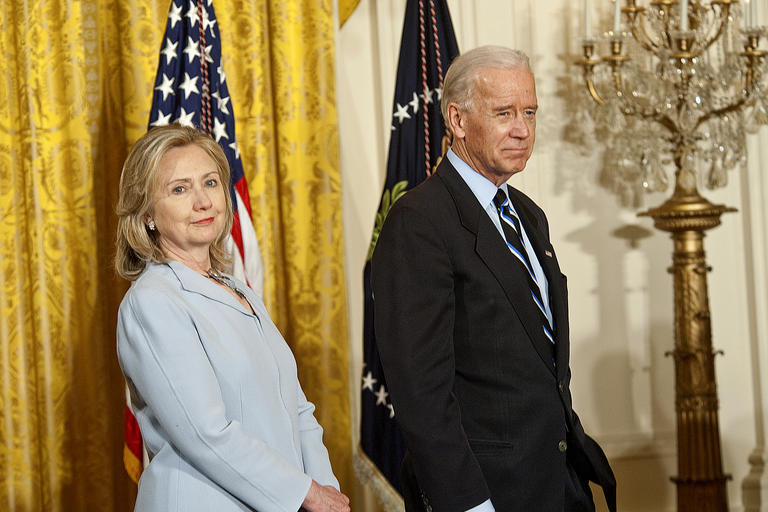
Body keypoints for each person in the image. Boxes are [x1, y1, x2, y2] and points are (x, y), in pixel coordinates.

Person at [371, 46, 617, 511]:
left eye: (530, 112)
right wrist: (468, 504)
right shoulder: (419, 221)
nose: (522, 129)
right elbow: (421, 392)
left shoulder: (527, 214)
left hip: (559, 484)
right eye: (504, 113)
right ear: (457, 120)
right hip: (485, 493)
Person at [115, 124, 350, 512]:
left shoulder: (239, 290)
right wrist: (307, 494)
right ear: (147, 215)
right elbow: (205, 433)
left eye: (210, 183)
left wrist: (326, 490)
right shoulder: (152, 302)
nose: (203, 201)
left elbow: (297, 409)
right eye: (179, 189)